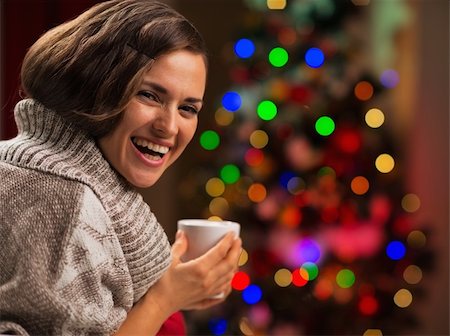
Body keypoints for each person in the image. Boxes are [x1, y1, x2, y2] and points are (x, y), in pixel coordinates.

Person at [0, 0, 242, 335]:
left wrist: (176, 289)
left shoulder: (27, 164)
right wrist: (163, 298)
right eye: (149, 95)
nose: (169, 127)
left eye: (188, 108)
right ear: (97, 88)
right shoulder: (62, 197)